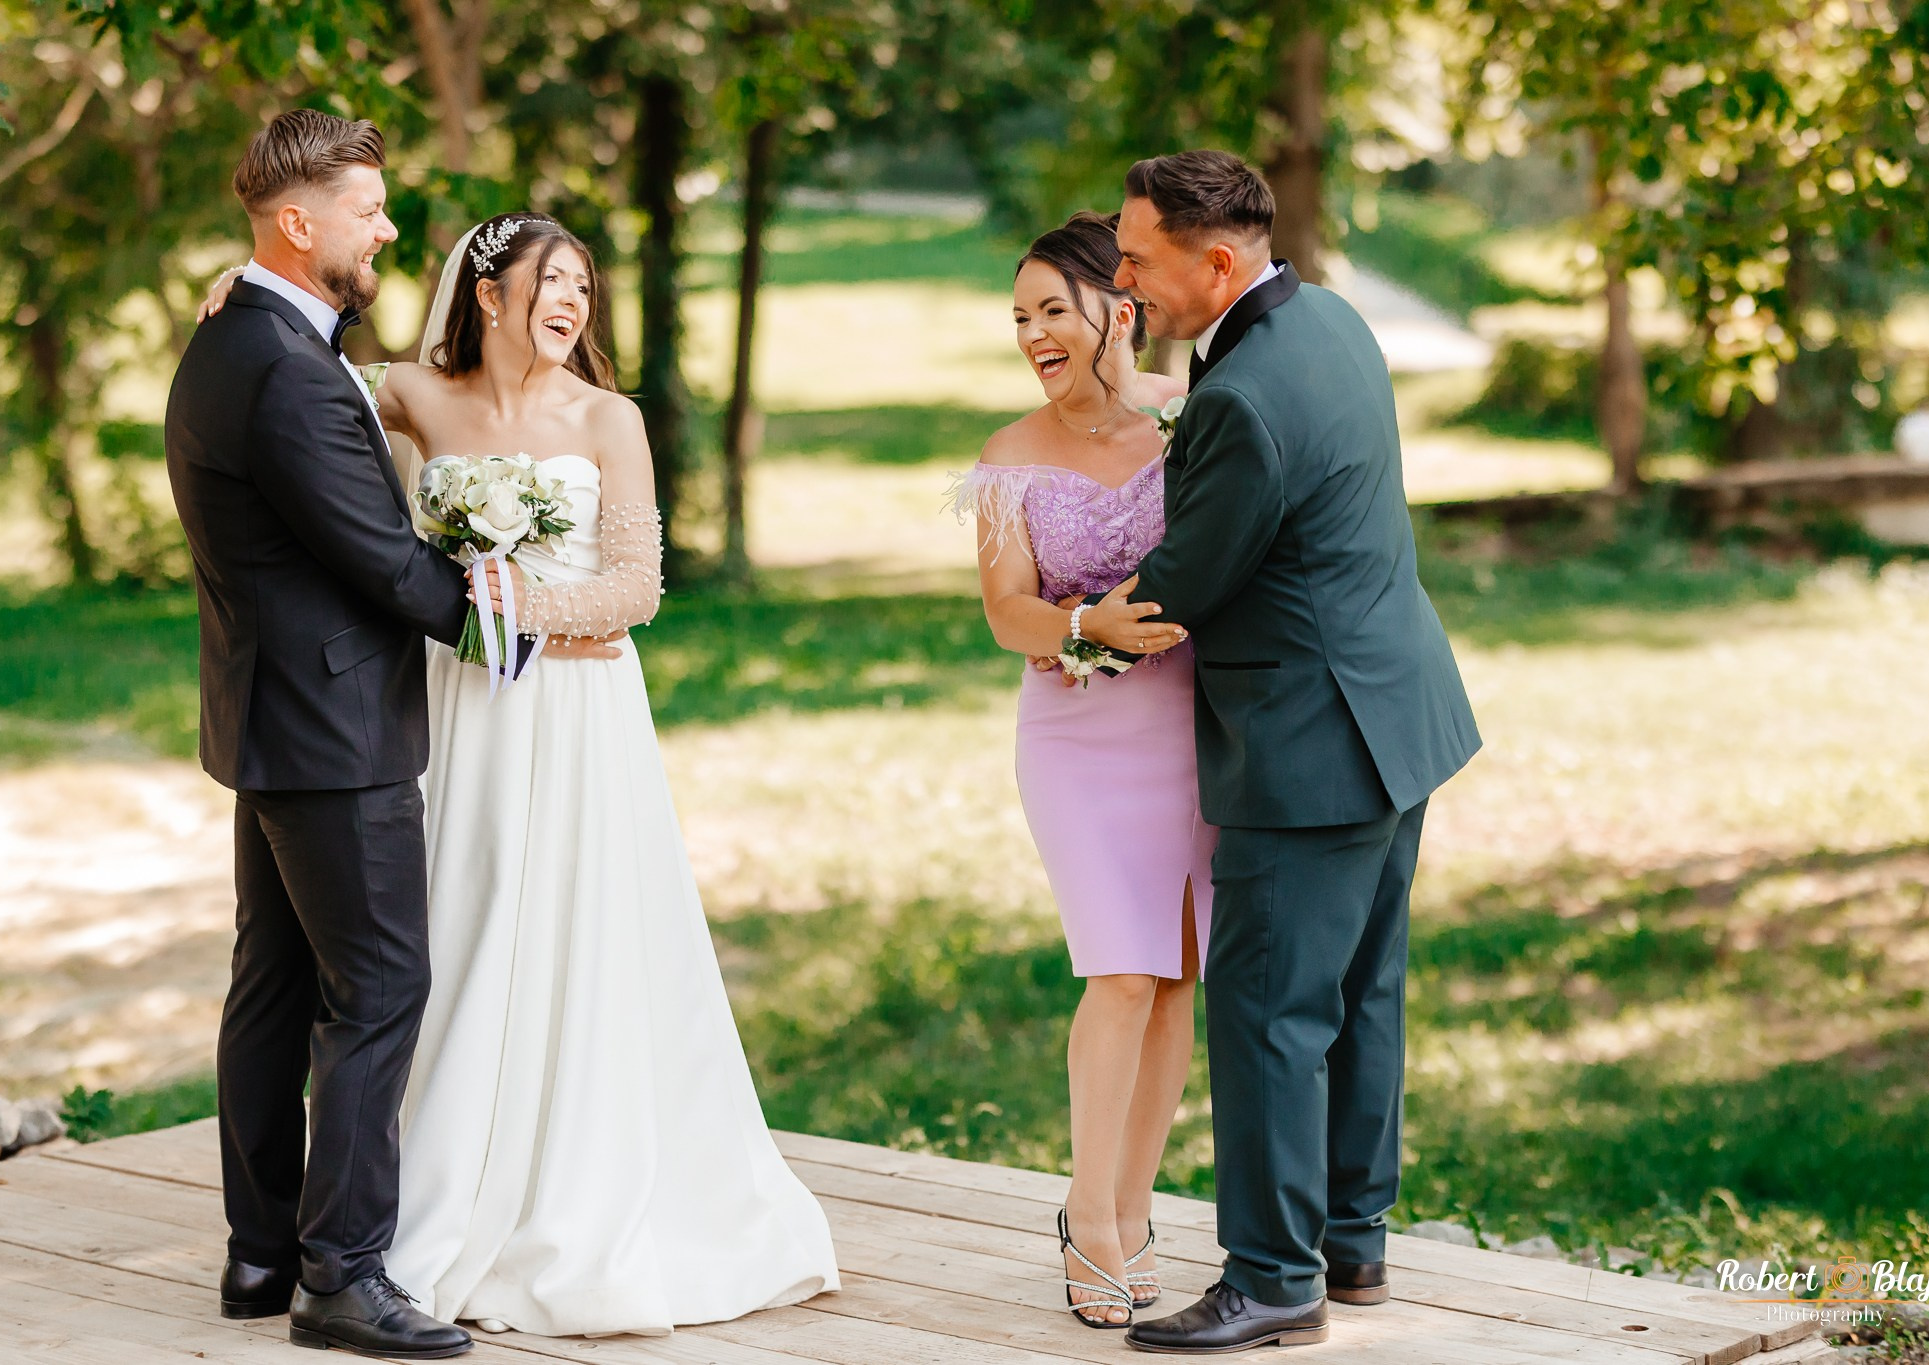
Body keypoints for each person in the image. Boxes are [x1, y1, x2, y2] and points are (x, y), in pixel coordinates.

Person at [202, 208, 840, 1339]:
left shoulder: (609, 418)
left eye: (585, 289)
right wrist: (233, 281)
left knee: (561, 928)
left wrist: (522, 614)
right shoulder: (408, 395)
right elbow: (295, 347)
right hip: (449, 706)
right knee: (436, 933)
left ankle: (555, 1182)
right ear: (486, 294)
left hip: (571, 708)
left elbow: (636, 587)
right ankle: (401, 1203)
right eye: (553, 281)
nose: (572, 305)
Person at [1081, 151, 1483, 1354]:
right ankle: (1349, 1244)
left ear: (1215, 262)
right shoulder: (1334, 322)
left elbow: (1182, 587)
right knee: (1359, 996)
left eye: (1138, 258)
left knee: (1266, 1013)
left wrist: (1073, 624)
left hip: (1305, 744)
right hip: (1394, 718)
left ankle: (1268, 1280)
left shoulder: (1241, 399)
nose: (1121, 278)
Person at [166, 109, 478, 1358]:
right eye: (367, 209)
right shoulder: (285, 369)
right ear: (299, 225)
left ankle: (260, 1255)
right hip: (334, 725)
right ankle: (341, 1276)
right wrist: (534, 620)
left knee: (275, 984)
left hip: (269, 713)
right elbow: (387, 564)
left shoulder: (242, 336)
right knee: (380, 986)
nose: (388, 228)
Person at [946, 212, 1207, 1330]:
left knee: (1175, 977)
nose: (1032, 334)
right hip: (1074, 742)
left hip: (1189, 730)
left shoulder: (1189, 420)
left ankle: (1135, 1203)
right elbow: (1005, 611)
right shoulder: (1007, 459)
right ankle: (1085, 1215)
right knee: (1117, 970)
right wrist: (1078, 620)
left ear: (1118, 306)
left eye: (1053, 309)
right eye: (1019, 317)